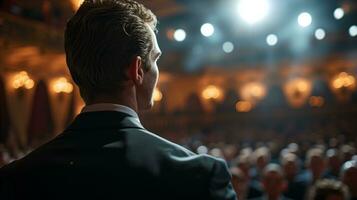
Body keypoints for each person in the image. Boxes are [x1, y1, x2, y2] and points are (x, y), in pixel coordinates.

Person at [0, 1, 236, 199]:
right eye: (155, 59)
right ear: (137, 70)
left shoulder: (15, 179)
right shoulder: (197, 175)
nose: (157, 70)